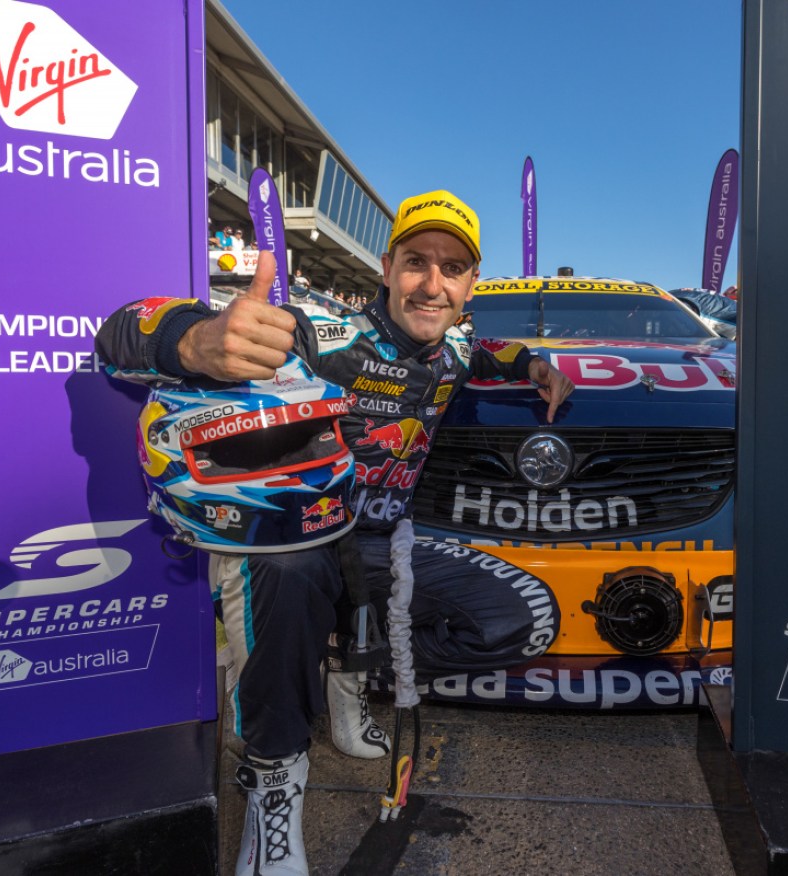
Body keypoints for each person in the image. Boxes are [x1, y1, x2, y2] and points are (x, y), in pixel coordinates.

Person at [97, 190, 573, 875]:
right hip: (304, 540)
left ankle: (346, 683)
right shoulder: (323, 330)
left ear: (471, 284)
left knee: (515, 617)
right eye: (416, 262)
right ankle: (273, 786)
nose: (432, 283)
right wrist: (194, 340)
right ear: (385, 268)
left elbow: (493, 350)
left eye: (451, 268)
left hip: (389, 546)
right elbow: (121, 332)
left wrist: (534, 366)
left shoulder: (459, 349)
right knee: (281, 573)